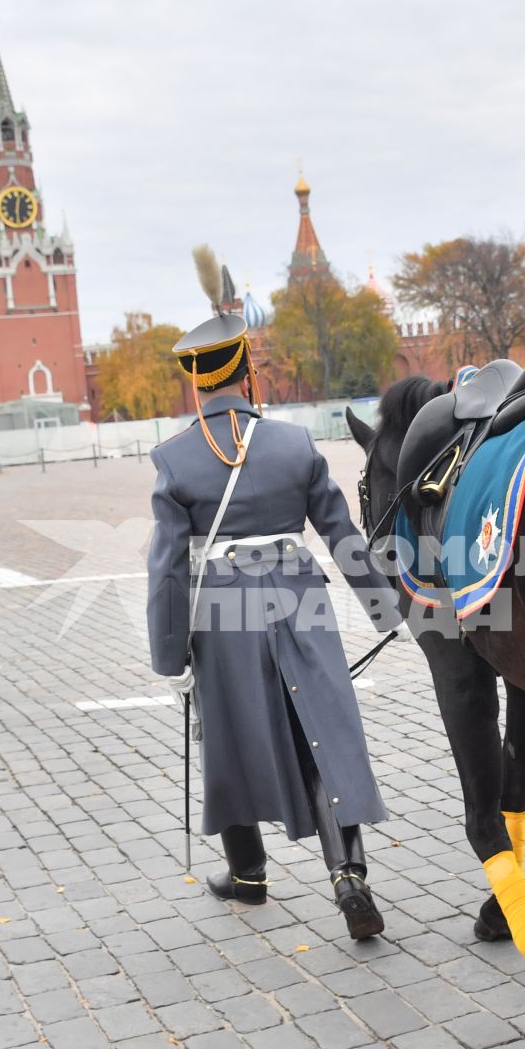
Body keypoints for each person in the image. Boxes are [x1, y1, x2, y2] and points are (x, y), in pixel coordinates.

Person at [146, 277, 400, 940]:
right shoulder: (295, 445)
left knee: (226, 731)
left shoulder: (174, 461)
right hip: (297, 592)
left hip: (222, 609)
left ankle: (249, 873)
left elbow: (167, 568)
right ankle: (348, 873)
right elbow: (342, 533)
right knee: (320, 724)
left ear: (197, 380)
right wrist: (386, 609)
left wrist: (169, 654)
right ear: (244, 368)